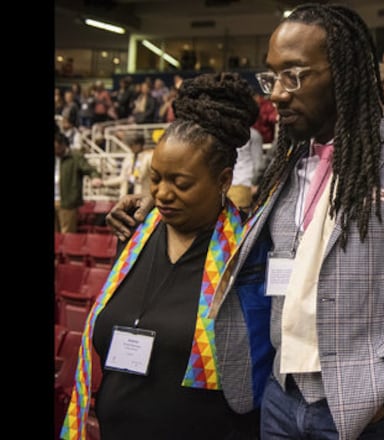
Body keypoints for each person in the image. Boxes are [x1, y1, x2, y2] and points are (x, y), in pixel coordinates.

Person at [105, 4, 384, 440]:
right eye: (271, 78)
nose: (277, 94)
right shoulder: (286, 165)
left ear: (345, 73)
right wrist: (152, 209)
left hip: (362, 412)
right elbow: (231, 233)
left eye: (294, 75)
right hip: (279, 402)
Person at [60, 73, 264, 440]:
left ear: (223, 180)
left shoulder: (247, 252)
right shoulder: (134, 233)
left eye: (180, 183)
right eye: (156, 179)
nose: (163, 193)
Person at [55, 131, 102, 233]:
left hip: (67, 201)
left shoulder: (75, 156)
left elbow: (90, 169)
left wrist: (95, 177)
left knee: (67, 234)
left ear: (62, 144)